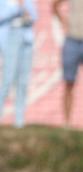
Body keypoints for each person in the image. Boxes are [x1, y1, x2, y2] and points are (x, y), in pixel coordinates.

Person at [0, 0, 37, 128]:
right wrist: (16, 7)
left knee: (23, 81)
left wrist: (24, 8)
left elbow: (34, 16)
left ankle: (19, 120)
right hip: (10, 37)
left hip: (26, 39)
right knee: (8, 79)